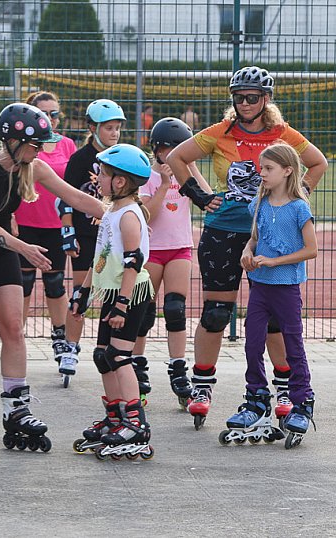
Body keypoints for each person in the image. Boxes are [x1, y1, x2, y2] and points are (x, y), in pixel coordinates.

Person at [166, 66, 328, 430]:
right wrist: (198, 194)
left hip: (269, 236)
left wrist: (294, 198)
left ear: (266, 100)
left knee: (273, 317)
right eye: (238, 97)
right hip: (223, 230)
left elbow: (317, 163)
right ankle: (202, 386)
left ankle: (284, 390)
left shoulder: (282, 134)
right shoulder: (220, 132)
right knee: (216, 313)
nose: (244, 103)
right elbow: (177, 157)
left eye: (252, 97)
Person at [0, 103, 104, 458]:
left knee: (13, 326)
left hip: (0, 250)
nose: (40, 150)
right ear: (11, 140)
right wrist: (25, 249)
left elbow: (74, 197)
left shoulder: (34, 168)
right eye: (34, 144)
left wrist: (122, 213)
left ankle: (16, 408)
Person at [221, 143, 317, 449]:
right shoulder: (259, 204)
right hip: (259, 285)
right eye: (261, 168)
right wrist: (247, 253)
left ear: (287, 171)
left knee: (292, 343)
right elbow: (253, 239)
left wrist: (274, 261)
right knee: (251, 342)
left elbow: (311, 250)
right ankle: (257, 399)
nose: (261, 174)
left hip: (286, 286)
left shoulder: (299, 208)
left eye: (268, 169)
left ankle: (302, 403)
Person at [70, 144, 155, 461]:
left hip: (130, 295)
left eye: (103, 174)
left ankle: (136, 424)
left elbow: (133, 263)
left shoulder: (128, 216)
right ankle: (116, 415)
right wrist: (83, 293)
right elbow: (101, 258)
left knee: (119, 356)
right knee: (103, 356)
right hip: (114, 293)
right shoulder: (111, 212)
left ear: (119, 182)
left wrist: (121, 305)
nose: (97, 178)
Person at [132, 117, 207, 405]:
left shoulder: (186, 176)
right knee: (144, 312)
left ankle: (178, 368)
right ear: (156, 149)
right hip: (152, 251)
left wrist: (190, 168)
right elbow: (146, 214)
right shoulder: (147, 177)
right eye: (167, 150)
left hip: (180, 248)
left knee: (175, 309)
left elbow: (207, 197)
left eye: (179, 149)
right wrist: (164, 184)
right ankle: (137, 365)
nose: (171, 155)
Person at [10, 91, 78, 384]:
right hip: (25, 222)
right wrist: (9, 215)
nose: (49, 119)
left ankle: (60, 338)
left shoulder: (66, 144)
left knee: (54, 284)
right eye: (43, 114)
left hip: (55, 224)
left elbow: (75, 186)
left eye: (54, 114)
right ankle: (17, 338)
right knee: (22, 284)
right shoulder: (21, 145)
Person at [60, 99, 126, 383]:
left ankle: (109, 346)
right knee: (80, 293)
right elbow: (65, 198)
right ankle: (70, 348)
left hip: (113, 237)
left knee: (111, 295)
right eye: (108, 128)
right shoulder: (80, 159)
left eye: (117, 128)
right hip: (86, 236)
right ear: (92, 128)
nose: (114, 133)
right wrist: (68, 233)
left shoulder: (122, 158)